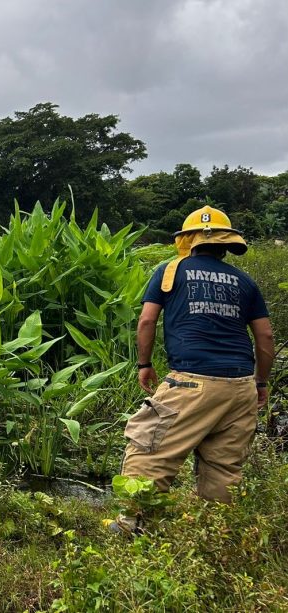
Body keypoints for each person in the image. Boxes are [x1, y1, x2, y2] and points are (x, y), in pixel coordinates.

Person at [113, 205, 275, 532]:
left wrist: (144, 363)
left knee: (148, 449)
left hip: (191, 383)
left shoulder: (171, 270)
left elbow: (147, 320)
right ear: (226, 243)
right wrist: (260, 382)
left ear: (189, 240)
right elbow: (265, 336)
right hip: (240, 387)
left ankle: (135, 527)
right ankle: (217, 536)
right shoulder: (245, 282)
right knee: (224, 468)